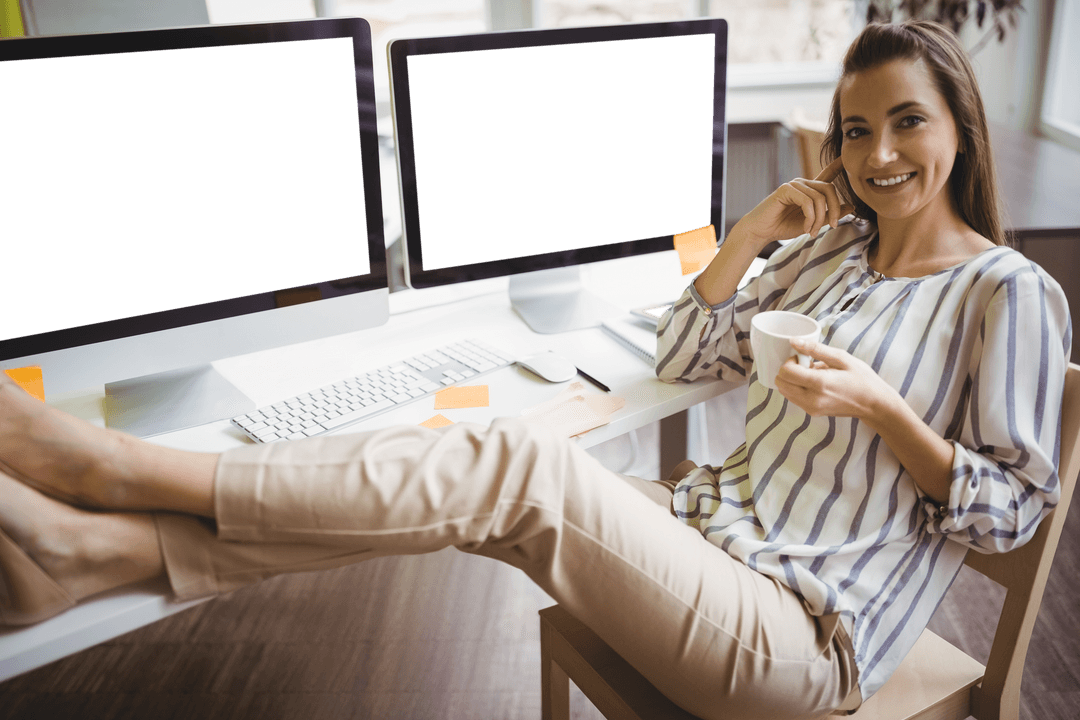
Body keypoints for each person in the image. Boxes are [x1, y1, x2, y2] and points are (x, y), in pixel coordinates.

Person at [0, 20, 1068, 720]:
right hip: (711, 539)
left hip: (803, 636)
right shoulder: (836, 250)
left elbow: (1013, 513)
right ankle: (100, 554)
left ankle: (117, 474)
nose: (879, 155)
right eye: (856, 132)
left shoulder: (1005, 293)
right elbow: (689, 353)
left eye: (906, 123)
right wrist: (745, 239)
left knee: (515, 465)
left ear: (958, 128)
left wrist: (888, 415)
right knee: (466, 481)